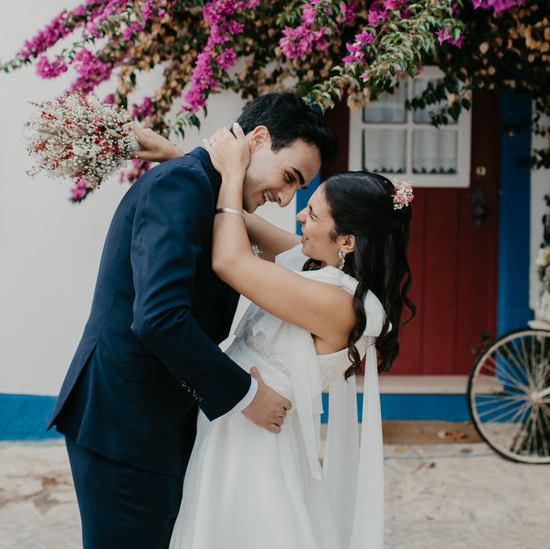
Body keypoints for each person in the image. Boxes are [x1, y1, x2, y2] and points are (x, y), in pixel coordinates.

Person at [48, 92, 339, 549]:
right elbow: (160, 317)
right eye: (289, 178)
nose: (286, 199)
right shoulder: (181, 185)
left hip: (155, 422)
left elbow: (239, 229)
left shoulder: (201, 185)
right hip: (127, 426)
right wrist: (247, 395)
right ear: (258, 139)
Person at [167, 123, 416, 549]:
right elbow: (238, 219)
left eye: (314, 214)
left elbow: (231, 259)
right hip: (230, 427)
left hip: (254, 448)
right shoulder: (316, 267)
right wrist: (177, 156)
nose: (299, 214)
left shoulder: (342, 306)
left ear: (349, 240)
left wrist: (231, 174)